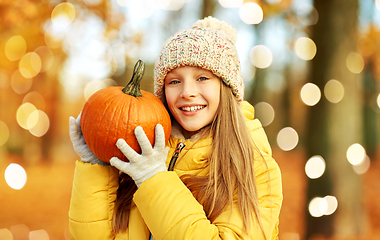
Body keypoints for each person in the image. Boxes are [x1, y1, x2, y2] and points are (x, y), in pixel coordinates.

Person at [69, 16, 282, 240]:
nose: (187, 92)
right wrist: (98, 166)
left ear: (227, 88)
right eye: (174, 81)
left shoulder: (255, 168)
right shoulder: (139, 156)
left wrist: (153, 179)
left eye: (202, 78)